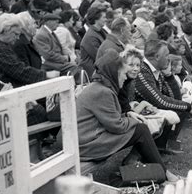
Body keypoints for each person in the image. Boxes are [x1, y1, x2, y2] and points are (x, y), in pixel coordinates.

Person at [69, 48, 179, 181]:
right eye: (123, 73)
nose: (125, 77)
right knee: (140, 129)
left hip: (87, 139)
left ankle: (156, 171)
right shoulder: (102, 91)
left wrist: (130, 116)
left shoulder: (101, 87)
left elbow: (114, 119)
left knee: (140, 129)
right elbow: (117, 126)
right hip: (85, 146)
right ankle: (162, 173)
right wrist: (134, 120)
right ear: (114, 74)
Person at [134, 39, 192, 153]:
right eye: (166, 55)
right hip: (137, 112)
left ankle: (162, 146)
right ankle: (146, 152)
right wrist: (190, 107)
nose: (168, 59)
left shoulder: (156, 70)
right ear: (157, 57)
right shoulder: (142, 72)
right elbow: (159, 101)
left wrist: (169, 75)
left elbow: (175, 98)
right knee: (180, 107)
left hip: (150, 110)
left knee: (180, 107)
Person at [79, 6, 108, 76]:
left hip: (102, 68)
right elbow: (99, 57)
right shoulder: (90, 36)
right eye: (104, 17)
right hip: (94, 72)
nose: (106, 19)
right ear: (96, 19)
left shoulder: (101, 31)